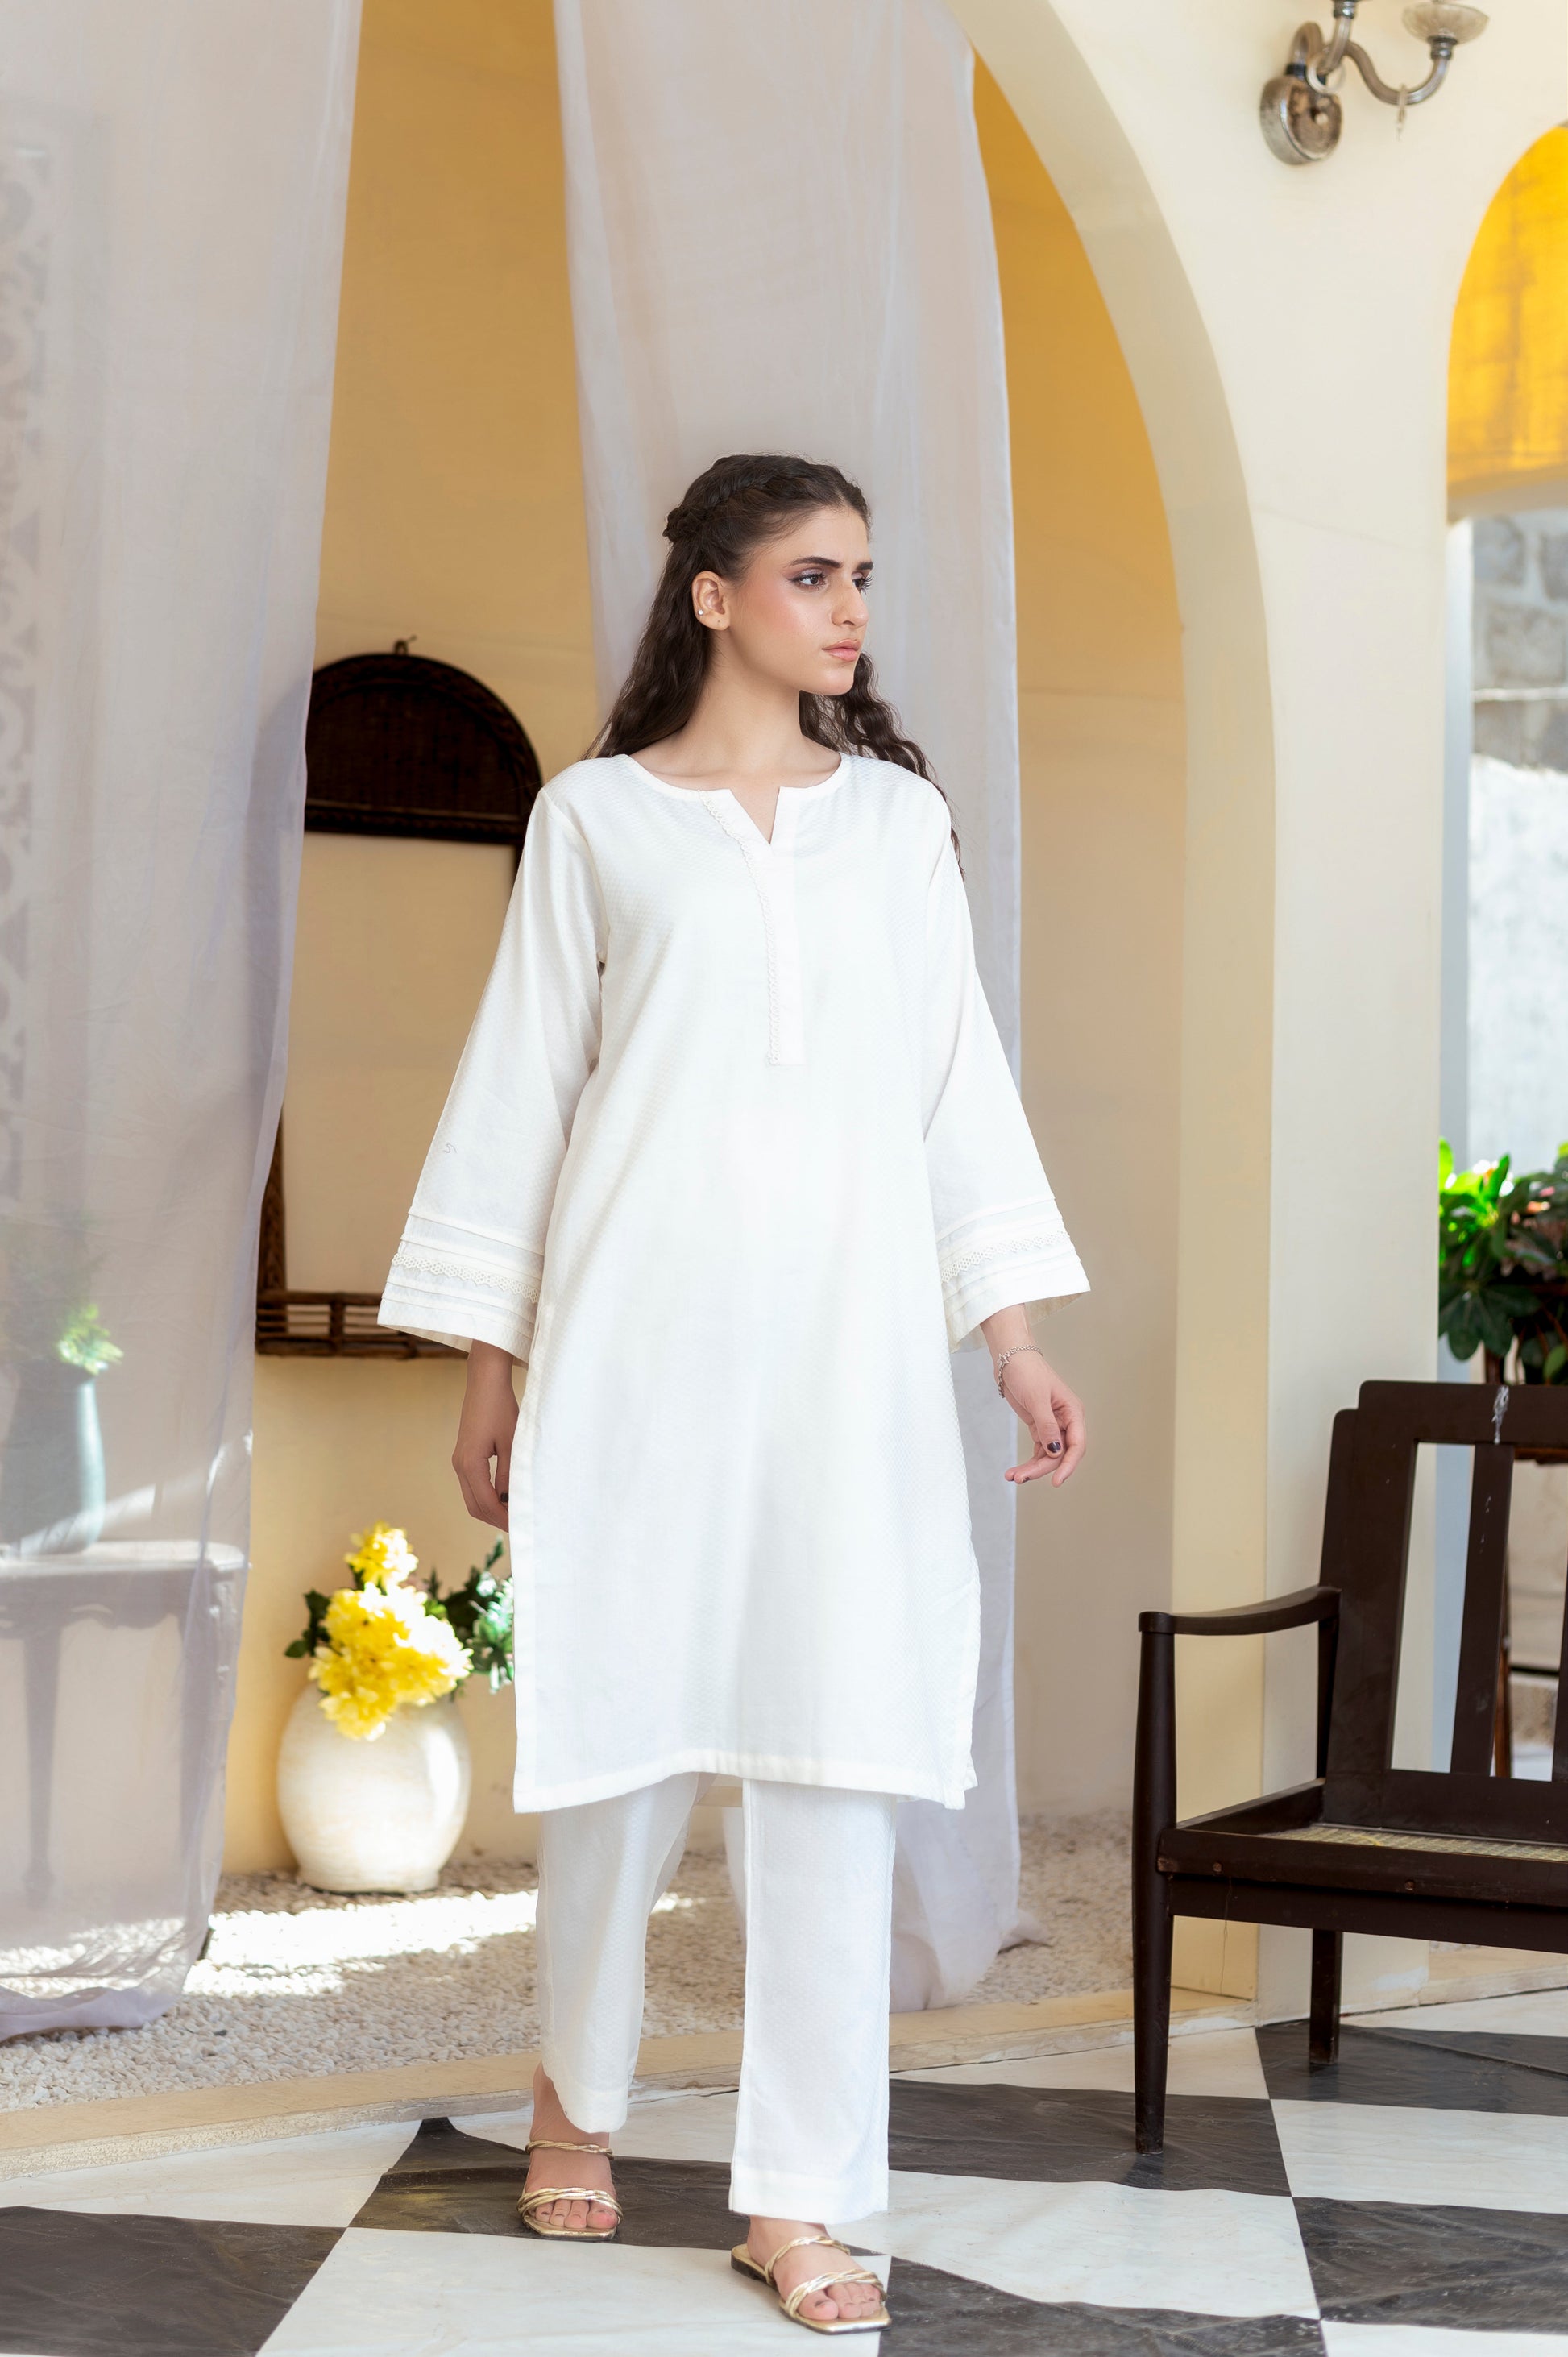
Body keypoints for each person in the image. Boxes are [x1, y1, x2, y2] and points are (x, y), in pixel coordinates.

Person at [380, 452, 1088, 2335]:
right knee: (618, 1740)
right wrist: (490, 1365)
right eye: (810, 574)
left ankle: (798, 2194)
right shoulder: (595, 820)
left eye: (862, 575)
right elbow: (521, 1098)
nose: (850, 610)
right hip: (640, 1347)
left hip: (848, 1368)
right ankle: (574, 2100)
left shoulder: (897, 830)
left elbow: (956, 1091)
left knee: (835, 1756)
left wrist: (1010, 1335)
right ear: (713, 594)